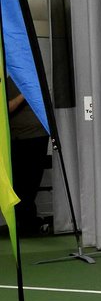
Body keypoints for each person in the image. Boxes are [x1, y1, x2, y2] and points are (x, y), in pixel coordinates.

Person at [7, 76, 49, 236]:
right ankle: (27, 223)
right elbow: (7, 107)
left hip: (35, 136)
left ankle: (28, 224)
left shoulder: (30, 76)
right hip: (16, 137)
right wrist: (24, 94)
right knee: (19, 183)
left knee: (30, 182)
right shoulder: (6, 80)